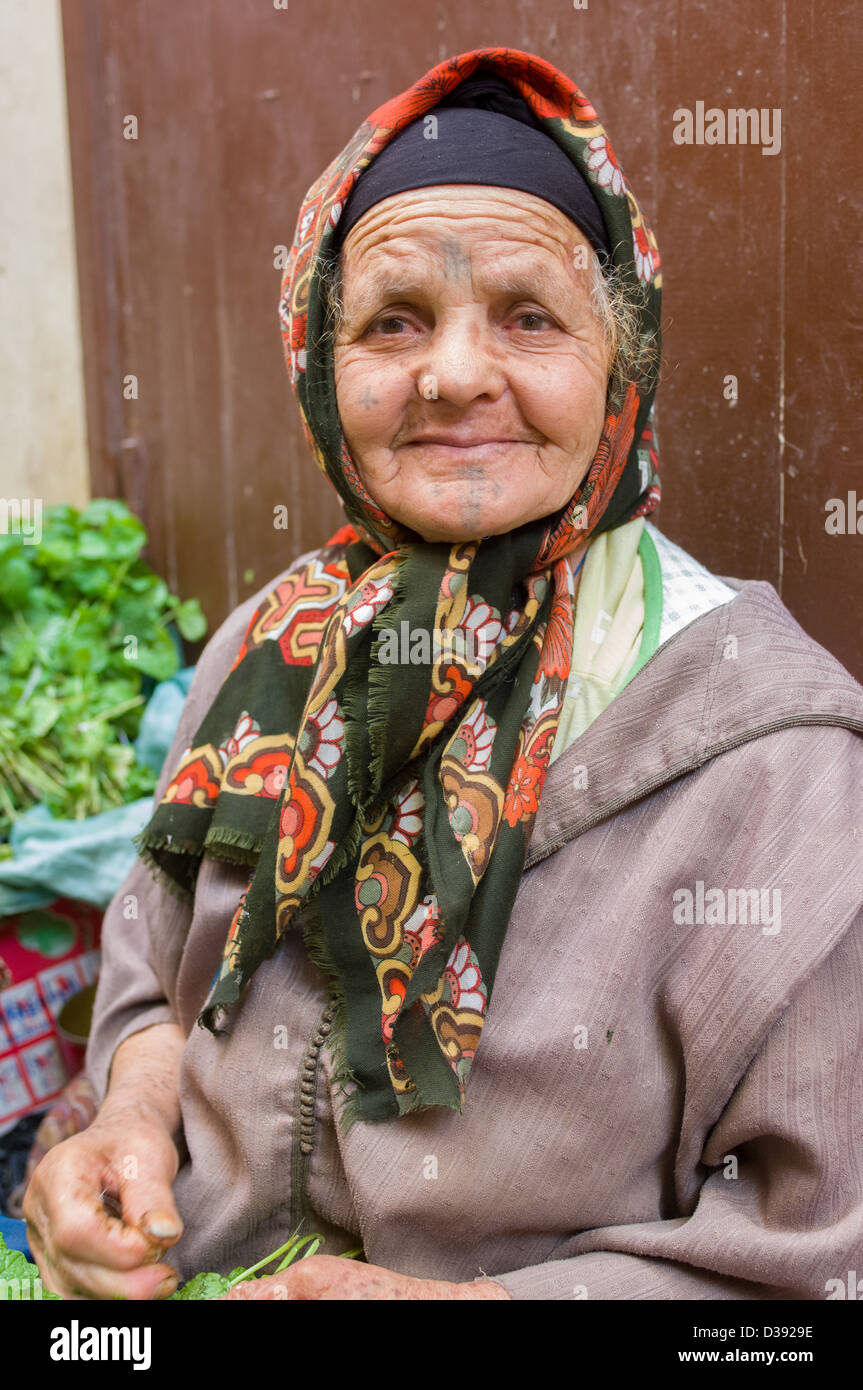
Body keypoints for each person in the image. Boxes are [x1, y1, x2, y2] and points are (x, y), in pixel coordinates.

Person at [23, 47, 863, 1302]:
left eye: (528, 316)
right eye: (393, 320)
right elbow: (151, 987)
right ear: (320, 362)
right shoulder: (265, 649)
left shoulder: (773, 759)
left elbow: (806, 1276)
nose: (455, 374)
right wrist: (124, 1123)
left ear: (620, 362)